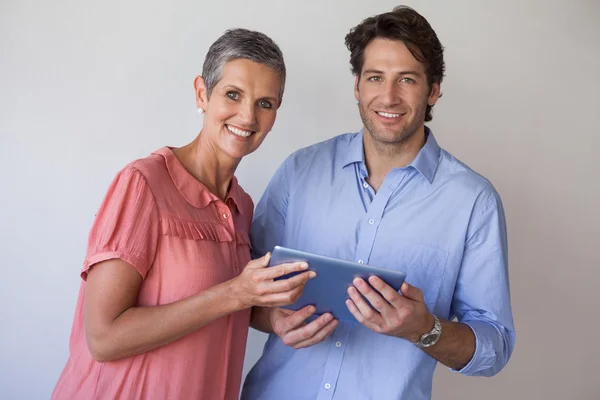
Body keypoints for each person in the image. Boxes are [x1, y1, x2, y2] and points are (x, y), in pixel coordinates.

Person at [242, 6, 515, 400]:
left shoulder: (474, 201)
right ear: (358, 86)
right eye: (375, 77)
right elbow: (241, 288)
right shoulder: (300, 171)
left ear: (433, 89)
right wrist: (272, 318)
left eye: (407, 79)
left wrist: (425, 329)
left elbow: (495, 348)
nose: (388, 96)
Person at [51, 28, 315, 400]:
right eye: (233, 94)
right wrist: (235, 293)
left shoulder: (242, 205)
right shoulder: (143, 183)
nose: (248, 115)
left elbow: (224, 304)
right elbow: (103, 337)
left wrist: (275, 319)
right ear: (202, 93)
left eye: (265, 103)